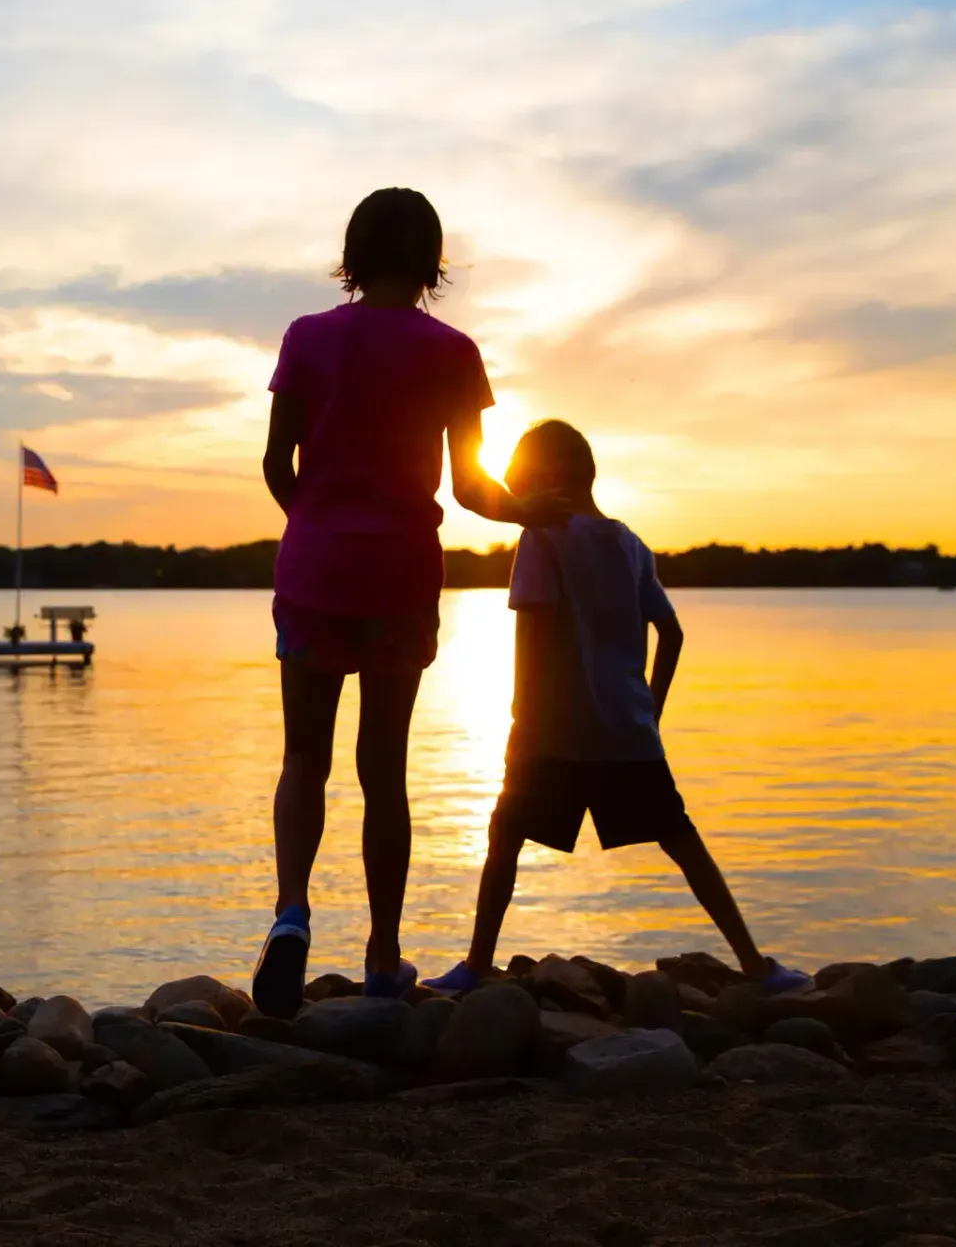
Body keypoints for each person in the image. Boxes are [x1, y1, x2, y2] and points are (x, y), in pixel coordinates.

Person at [253, 188, 567, 1017]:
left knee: (303, 760)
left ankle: (290, 916)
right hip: (399, 578)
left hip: (314, 572)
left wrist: (315, 526)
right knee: (382, 771)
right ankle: (384, 956)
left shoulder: (307, 337)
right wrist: (527, 510)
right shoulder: (453, 351)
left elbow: (276, 463)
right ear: (434, 263)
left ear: (352, 256)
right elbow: (469, 488)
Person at [430, 420, 808, 994]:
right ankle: (757, 966)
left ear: (549, 478)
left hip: (551, 732)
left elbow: (533, 636)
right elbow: (672, 633)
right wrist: (650, 710)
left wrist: (520, 719)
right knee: (681, 840)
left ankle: (476, 967)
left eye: (519, 483)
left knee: (505, 836)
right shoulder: (631, 544)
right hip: (627, 731)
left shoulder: (541, 537)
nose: (515, 499)